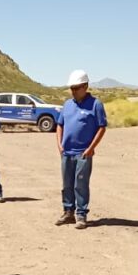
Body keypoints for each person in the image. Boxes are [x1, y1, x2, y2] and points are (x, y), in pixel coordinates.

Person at [55, 69, 107, 229]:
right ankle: (68, 211)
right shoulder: (68, 104)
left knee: (81, 184)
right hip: (67, 152)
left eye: (76, 88)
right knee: (67, 184)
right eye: (71, 88)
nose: (73, 91)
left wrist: (91, 148)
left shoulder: (95, 104)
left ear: (85, 86)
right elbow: (59, 124)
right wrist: (59, 144)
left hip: (83, 152)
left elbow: (102, 127)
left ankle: (81, 214)